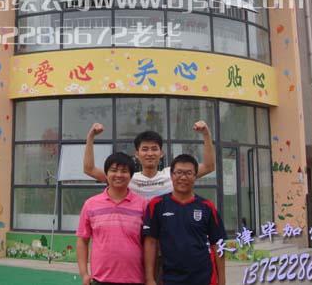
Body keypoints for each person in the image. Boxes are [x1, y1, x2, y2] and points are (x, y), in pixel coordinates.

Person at [143, 154, 226, 285]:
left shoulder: (207, 206)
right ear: (171, 175)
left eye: (188, 173)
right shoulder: (157, 204)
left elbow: (218, 244)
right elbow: (151, 242)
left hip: (204, 278)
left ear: (195, 176)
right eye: (179, 172)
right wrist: (149, 279)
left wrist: (222, 281)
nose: (183, 177)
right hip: (169, 278)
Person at [83, 121, 215, 199]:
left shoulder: (172, 175)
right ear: (137, 154)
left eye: (154, 149)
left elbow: (209, 167)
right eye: (145, 149)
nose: (150, 154)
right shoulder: (126, 178)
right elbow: (89, 169)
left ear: (161, 153)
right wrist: (90, 137)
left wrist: (206, 134)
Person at [77, 152, 146, 285]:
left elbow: (149, 244)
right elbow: (82, 241)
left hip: (135, 279)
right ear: (106, 174)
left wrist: (149, 277)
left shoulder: (142, 205)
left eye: (124, 171)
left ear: (131, 175)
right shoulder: (90, 204)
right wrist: (84, 274)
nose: (118, 175)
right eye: (113, 170)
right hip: (100, 279)